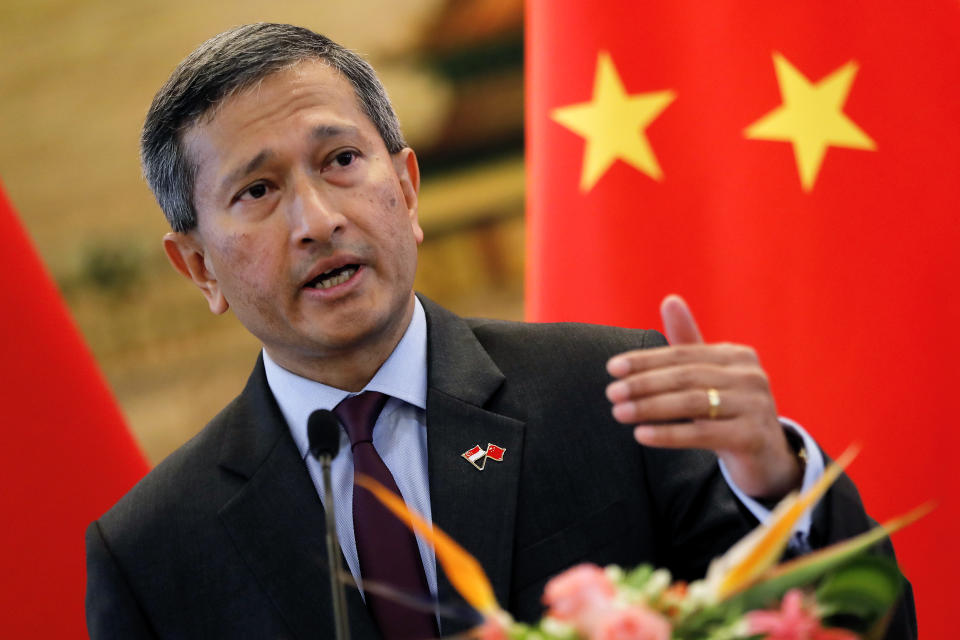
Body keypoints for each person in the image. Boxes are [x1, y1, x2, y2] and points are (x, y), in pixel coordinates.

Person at [85, 23, 915, 639]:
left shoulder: (614, 393)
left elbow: (869, 625)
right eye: (257, 191)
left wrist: (774, 482)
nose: (318, 219)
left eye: (341, 161)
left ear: (406, 192)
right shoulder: (154, 552)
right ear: (197, 267)